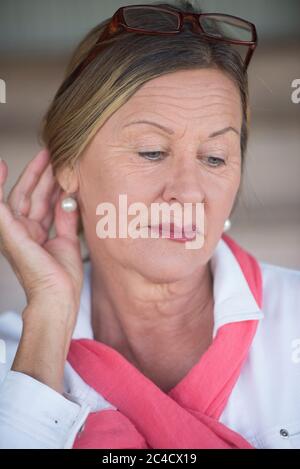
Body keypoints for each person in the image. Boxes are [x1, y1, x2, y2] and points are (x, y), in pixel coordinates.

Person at [0, 0, 299, 449]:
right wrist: (47, 319)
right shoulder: (14, 358)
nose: (188, 191)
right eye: (151, 151)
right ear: (68, 166)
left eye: (214, 157)